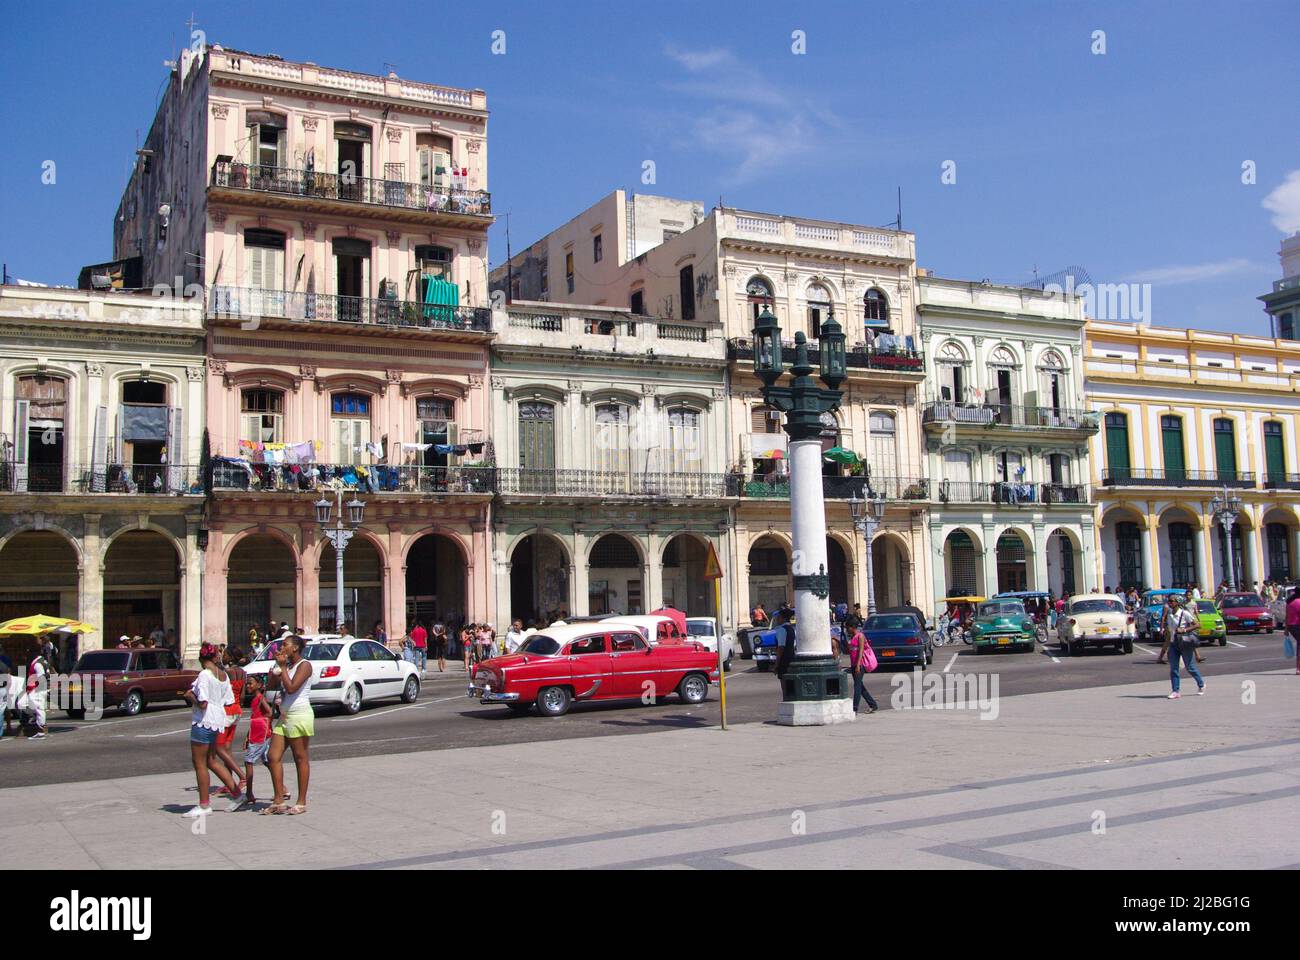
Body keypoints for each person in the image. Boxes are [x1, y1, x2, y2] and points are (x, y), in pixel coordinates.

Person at [182, 644, 243, 817]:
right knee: (211, 760)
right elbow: (228, 700)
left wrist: (189, 696)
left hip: (204, 720)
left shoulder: (204, 675)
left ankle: (204, 805)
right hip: (218, 720)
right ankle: (237, 794)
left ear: (202, 659)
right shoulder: (223, 675)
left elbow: (202, 702)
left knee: (200, 763)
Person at [263, 634, 314, 816]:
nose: (282, 647)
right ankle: (278, 800)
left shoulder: (305, 665)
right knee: (272, 756)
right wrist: (277, 670)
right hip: (284, 716)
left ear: (295, 648)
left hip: (299, 715)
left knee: (300, 757)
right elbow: (271, 686)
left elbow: (292, 687)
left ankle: (301, 801)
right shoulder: (287, 666)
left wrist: (283, 667)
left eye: (285, 645)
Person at [211, 650, 247, 804]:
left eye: (225, 654)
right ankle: (229, 782)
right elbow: (243, 695)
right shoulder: (242, 672)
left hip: (226, 711)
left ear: (230, 657)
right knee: (227, 749)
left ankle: (242, 777)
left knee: (219, 748)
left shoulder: (227, 673)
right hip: (237, 709)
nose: (223, 656)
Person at [242, 673, 273, 806]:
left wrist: (260, 724)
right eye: (247, 683)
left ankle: (249, 793)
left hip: (260, 735)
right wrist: (247, 736)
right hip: (257, 734)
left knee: (248, 761)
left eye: (251, 683)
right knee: (268, 762)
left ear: (259, 685)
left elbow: (269, 713)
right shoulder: (255, 699)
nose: (248, 685)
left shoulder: (260, 698)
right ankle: (282, 788)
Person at [1165, 596, 1205, 699]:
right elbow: (1170, 631)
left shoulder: (1184, 613)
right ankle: (1176, 691)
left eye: (1171, 601)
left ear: (1177, 603)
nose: (1169, 603)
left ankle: (1201, 684)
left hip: (1185, 643)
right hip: (1174, 644)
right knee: (1173, 668)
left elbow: (1197, 625)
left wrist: (1185, 629)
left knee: (1190, 667)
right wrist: (1168, 644)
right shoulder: (1169, 614)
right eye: (1168, 601)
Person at [847, 623, 879, 714]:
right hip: (854, 664)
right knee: (860, 686)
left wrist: (858, 665)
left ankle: (854, 709)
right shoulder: (852, 637)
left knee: (857, 686)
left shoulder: (860, 636)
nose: (847, 629)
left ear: (853, 627)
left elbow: (861, 651)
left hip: (860, 665)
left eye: (848, 627)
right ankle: (873, 705)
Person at [1287, 588, 1300, 675]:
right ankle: (1298, 668)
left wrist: (1286, 629)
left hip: (1291, 627)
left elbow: (1286, 617)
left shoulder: (1290, 602)